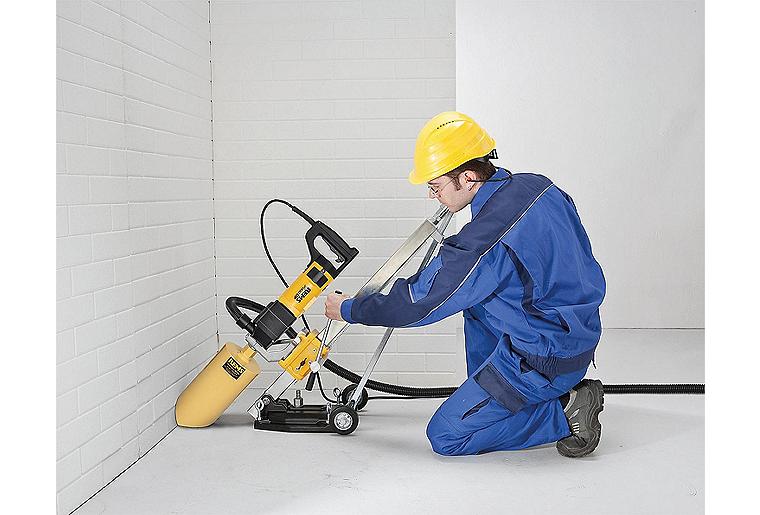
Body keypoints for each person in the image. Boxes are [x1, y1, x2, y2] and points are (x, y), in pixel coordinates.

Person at [324, 111, 606, 458]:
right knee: (476, 302)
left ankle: (566, 411)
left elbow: (419, 303)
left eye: (436, 186)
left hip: (544, 359)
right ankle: (494, 394)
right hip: (576, 331)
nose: (433, 196)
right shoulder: (539, 185)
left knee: (445, 436)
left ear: (468, 178)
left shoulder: (484, 240)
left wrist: (351, 309)